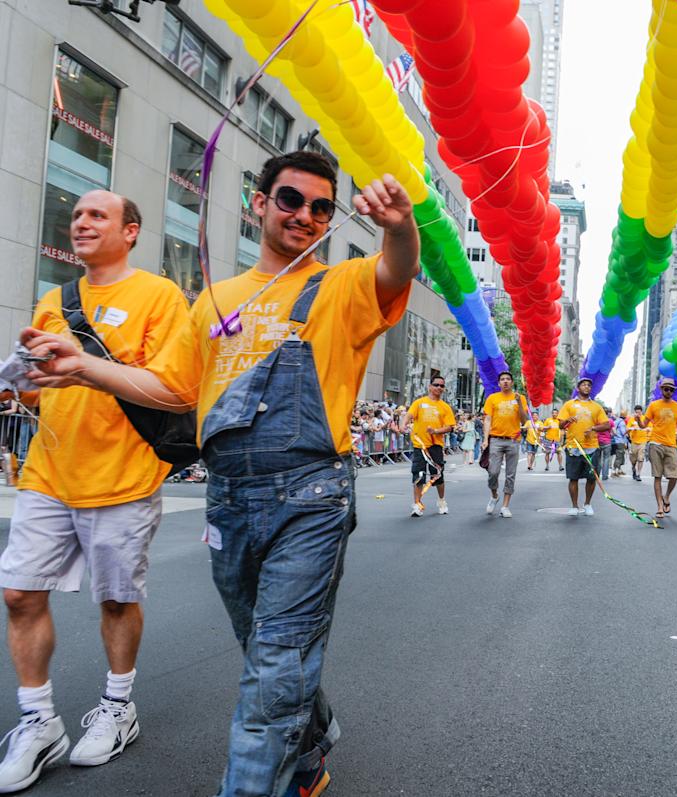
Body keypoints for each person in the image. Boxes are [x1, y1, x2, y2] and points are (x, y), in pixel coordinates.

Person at [23, 153, 421, 796]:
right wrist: (82, 366)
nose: (307, 216)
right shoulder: (212, 299)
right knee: (265, 647)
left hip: (311, 497)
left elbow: (397, 266)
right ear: (258, 203)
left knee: (274, 661)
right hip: (228, 500)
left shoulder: (345, 284)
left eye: (322, 208)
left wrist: (400, 226)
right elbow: (170, 389)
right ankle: (313, 737)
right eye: (291, 200)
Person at [0, 191, 190, 791]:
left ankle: (118, 706)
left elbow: (174, 390)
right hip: (49, 473)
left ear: (130, 231)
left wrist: (81, 362)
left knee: (114, 599)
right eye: (77, 214)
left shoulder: (159, 296)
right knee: (18, 596)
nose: (81, 222)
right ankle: (39, 721)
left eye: (97, 216)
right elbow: (42, 390)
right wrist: (21, 378)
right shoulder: (56, 299)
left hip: (122, 476)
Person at [402, 375, 456, 517]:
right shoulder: (419, 403)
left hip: (435, 445)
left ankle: (442, 501)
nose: (439, 388)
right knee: (418, 475)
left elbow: (450, 427)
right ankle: (417, 504)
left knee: (437, 475)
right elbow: (409, 415)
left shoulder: (445, 407)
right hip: (420, 445)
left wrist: (436, 431)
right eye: (436, 385)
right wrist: (403, 424)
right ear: (430, 386)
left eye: (441, 386)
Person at [558, 378, 609, 516]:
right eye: (583, 385)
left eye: (589, 385)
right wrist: (567, 420)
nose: (586, 387)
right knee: (573, 478)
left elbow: (606, 425)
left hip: (591, 447)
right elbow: (560, 425)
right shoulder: (569, 405)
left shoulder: (596, 406)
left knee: (591, 478)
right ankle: (574, 506)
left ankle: (587, 504)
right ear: (578, 388)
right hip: (573, 447)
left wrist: (593, 428)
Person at [481, 372, 529, 518]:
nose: (506, 381)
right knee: (493, 472)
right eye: (502, 379)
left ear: (512, 382)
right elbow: (487, 419)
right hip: (495, 439)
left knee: (510, 474)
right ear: (499, 383)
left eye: (508, 379)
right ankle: (494, 495)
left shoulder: (519, 398)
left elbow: (524, 420)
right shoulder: (492, 398)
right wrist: (485, 439)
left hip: (513, 440)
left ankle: (505, 506)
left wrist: (520, 404)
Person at [640, 380, 677, 520]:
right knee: (657, 476)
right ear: (662, 390)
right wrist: (637, 419)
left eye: (671, 390)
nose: (669, 392)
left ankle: (666, 496)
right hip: (655, 443)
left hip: (671, 445)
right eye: (666, 389)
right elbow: (643, 425)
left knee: (674, 476)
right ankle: (660, 506)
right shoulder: (653, 405)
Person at [627, 406, 650, 481]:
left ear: (641, 412)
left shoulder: (645, 419)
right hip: (634, 441)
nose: (638, 414)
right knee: (633, 459)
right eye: (636, 412)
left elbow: (650, 429)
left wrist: (648, 435)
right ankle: (633, 468)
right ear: (634, 412)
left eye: (639, 412)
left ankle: (638, 474)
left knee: (640, 458)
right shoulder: (631, 419)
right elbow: (627, 429)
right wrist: (631, 429)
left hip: (643, 441)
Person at [596, 409, 614, 481]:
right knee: (606, 459)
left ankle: (597, 475)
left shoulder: (597, 420)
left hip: (598, 441)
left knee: (598, 459)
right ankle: (605, 476)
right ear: (607, 413)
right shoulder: (610, 421)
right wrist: (610, 434)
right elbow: (614, 432)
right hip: (607, 442)